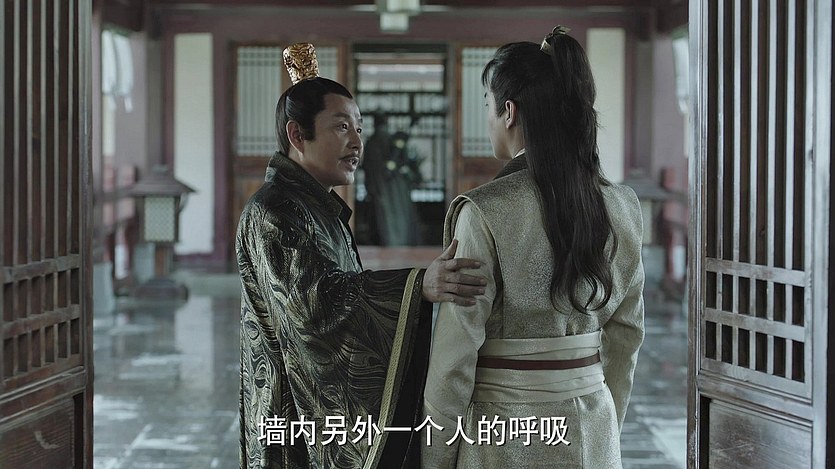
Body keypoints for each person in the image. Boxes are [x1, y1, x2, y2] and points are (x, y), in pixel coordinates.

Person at [236, 43, 486, 469]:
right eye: (341, 127)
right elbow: (315, 307)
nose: (357, 142)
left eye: (359, 128)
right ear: (297, 135)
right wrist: (416, 285)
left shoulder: (315, 205)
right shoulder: (273, 210)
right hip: (289, 408)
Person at [421, 27, 645, 468]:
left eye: (487, 104)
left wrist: (437, 457)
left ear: (509, 112)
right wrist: (605, 425)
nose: (488, 118)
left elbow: (453, 360)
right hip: (593, 429)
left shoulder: (484, 211)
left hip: (504, 436)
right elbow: (626, 338)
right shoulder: (622, 205)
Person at [361, 115, 422, 246]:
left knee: (384, 216)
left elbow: (367, 167)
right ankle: (398, 241)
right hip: (396, 188)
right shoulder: (389, 140)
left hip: (379, 188)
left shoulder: (372, 141)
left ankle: (389, 242)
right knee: (397, 216)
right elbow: (401, 162)